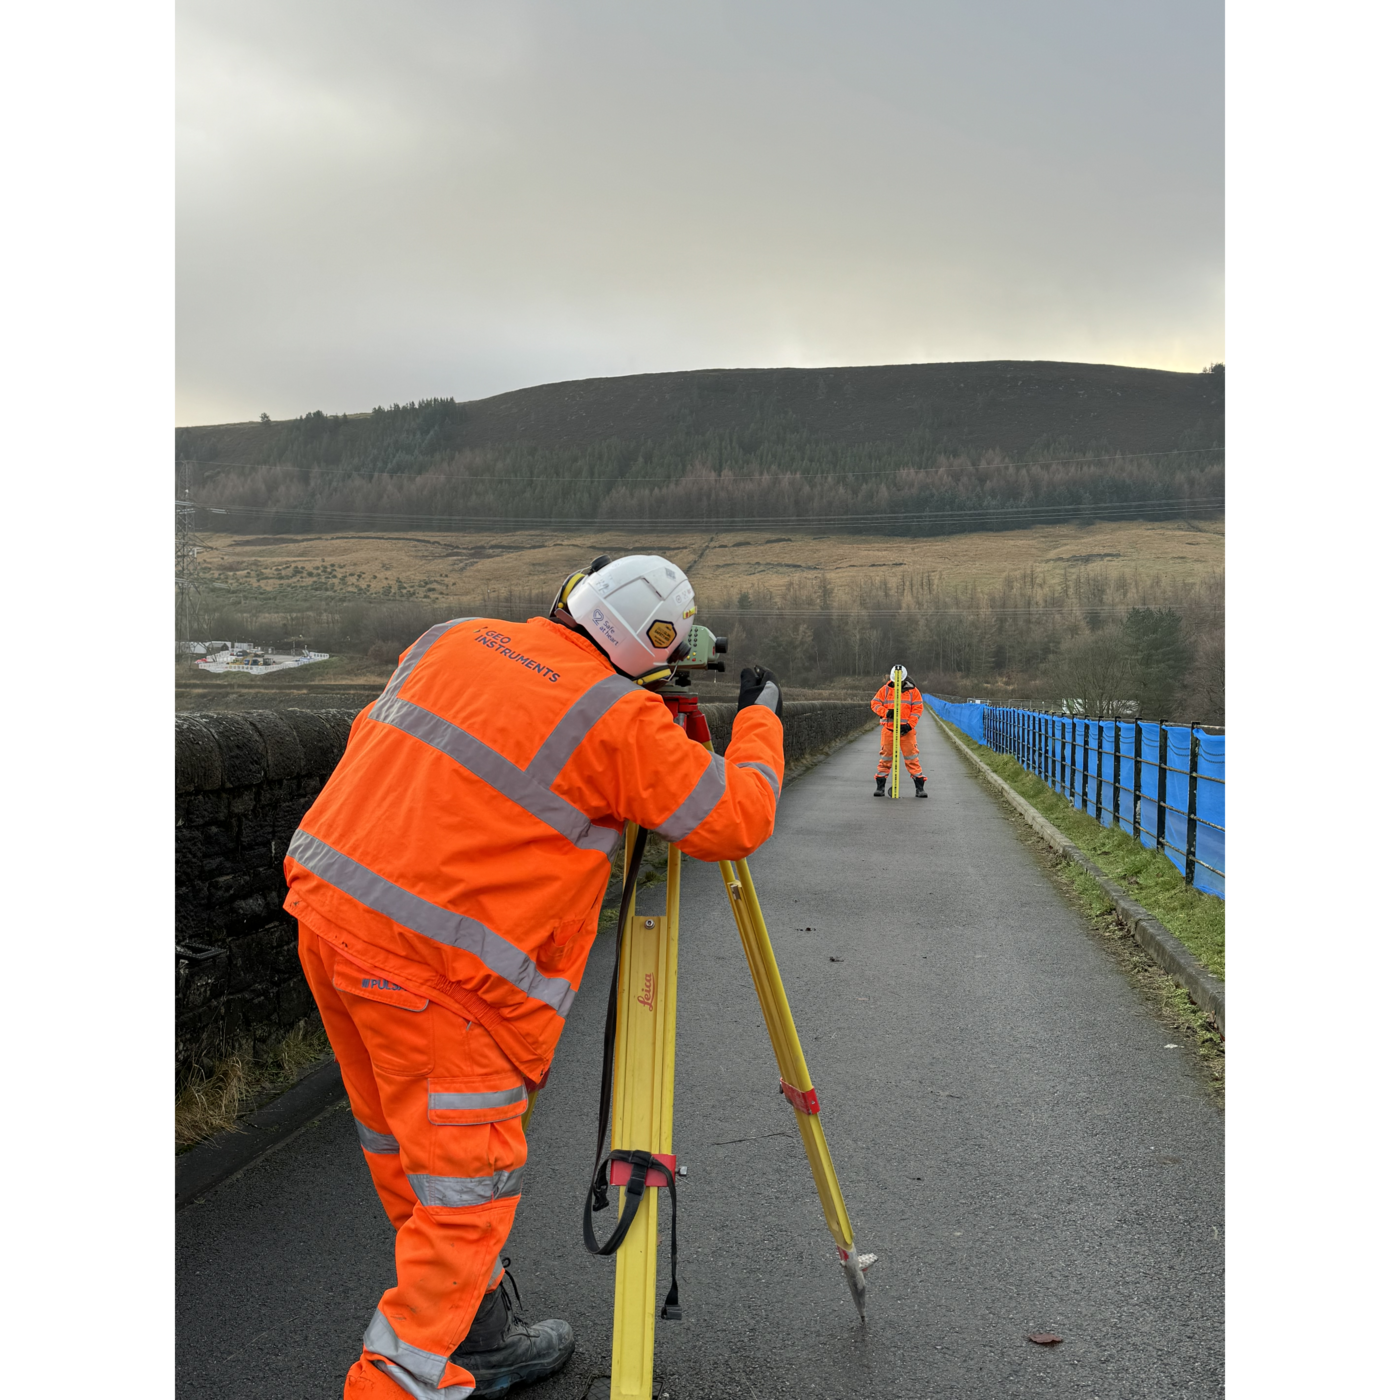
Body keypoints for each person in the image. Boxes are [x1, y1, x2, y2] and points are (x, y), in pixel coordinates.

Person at [283, 555, 785, 1398]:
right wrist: (760, 723)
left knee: (409, 1158)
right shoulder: (621, 721)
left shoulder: (450, 637)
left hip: (333, 924)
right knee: (465, 1199)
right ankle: (392, 1379)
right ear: (659, 649)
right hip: (445, 982)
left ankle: (473, 1333)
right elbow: (733, 819)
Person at [870, 664, 927, 798]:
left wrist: (909, 725)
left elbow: (917, 710)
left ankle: (919, 788)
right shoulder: (884, 690)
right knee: (885, 759)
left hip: (906, 732)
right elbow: (874, 704)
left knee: (912, 759)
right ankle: (880, 787)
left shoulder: (914, 692)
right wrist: (886, 712)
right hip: (889, 730)